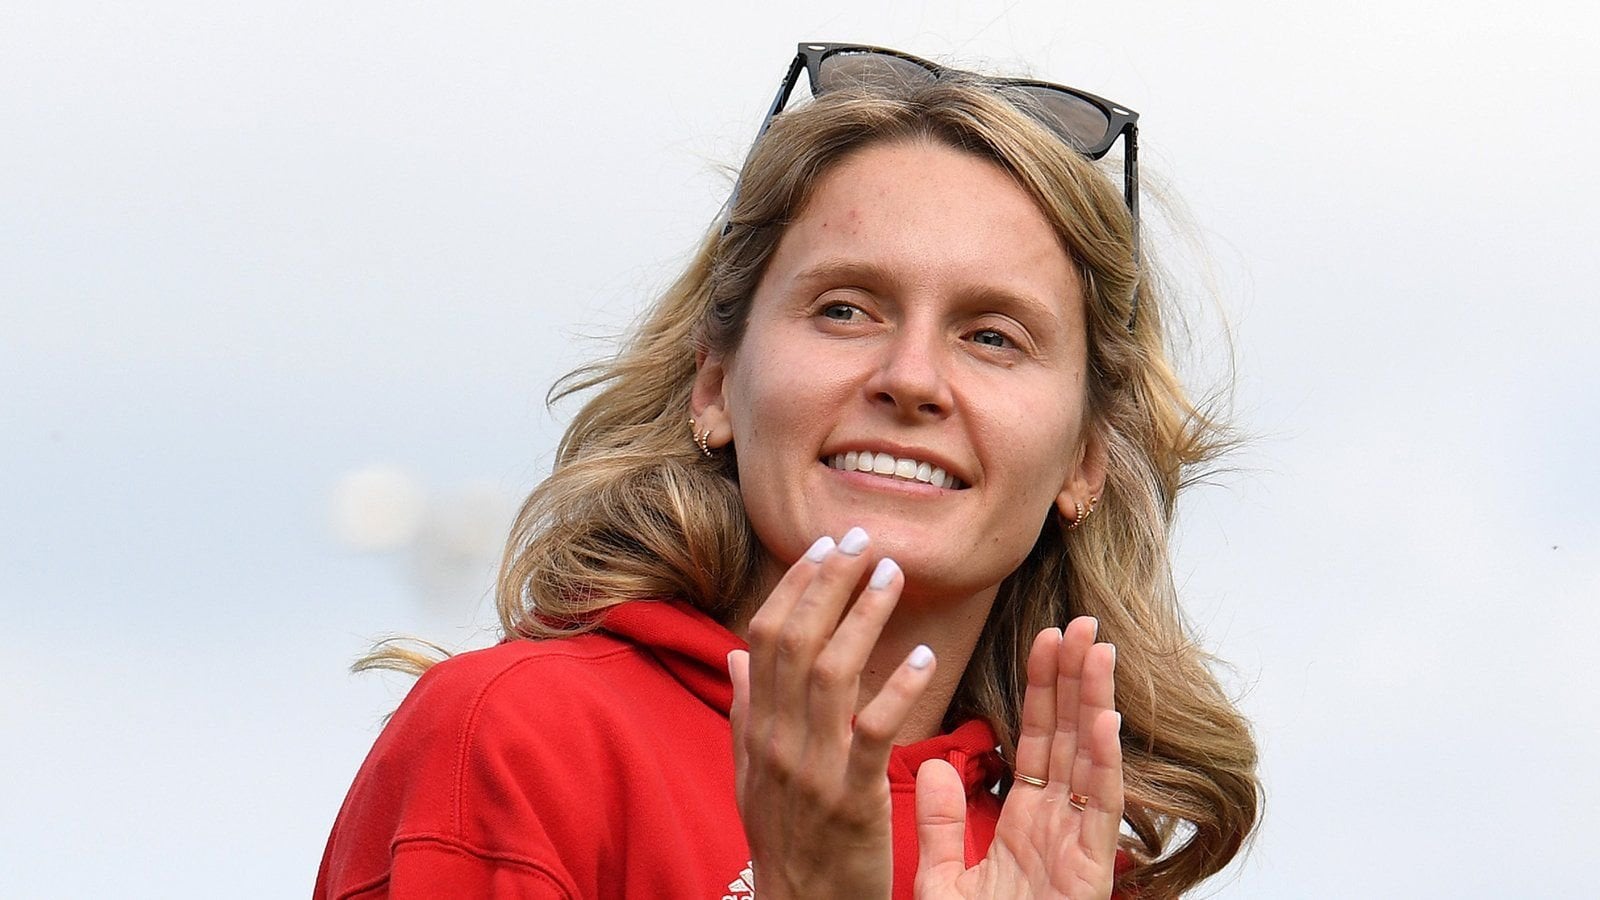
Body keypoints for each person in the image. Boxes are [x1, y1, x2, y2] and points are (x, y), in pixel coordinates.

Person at [314, 42, 1260, 900]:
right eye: (845, 309)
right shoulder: (516, 737)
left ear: (1086, 459)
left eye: (992, 336)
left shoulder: (1072, 869)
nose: (911, 378)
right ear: (715, 384)